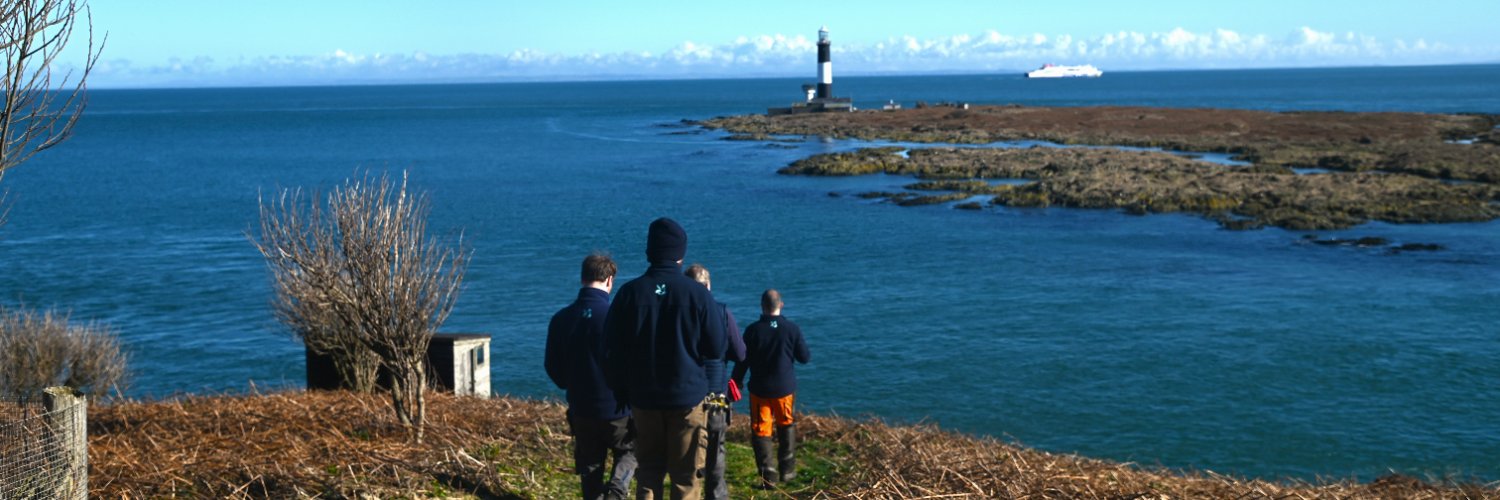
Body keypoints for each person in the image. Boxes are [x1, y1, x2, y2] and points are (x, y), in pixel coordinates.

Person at [605, 218, 726, 500]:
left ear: (649, 252)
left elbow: (610, 350)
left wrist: (621, 390)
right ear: (680, 253)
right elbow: (717, 348)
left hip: (644, 398)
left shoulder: (629, 293)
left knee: (648, 473)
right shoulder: (697, 294)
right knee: (685, 477)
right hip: (687, 397)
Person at [546, 252, 636, 500]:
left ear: (583, 278)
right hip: (617, 408)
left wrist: (569, 383)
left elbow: (552, 366)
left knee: (590, 468)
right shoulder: (618, 317)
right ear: (609, 280)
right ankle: (617, 491)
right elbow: (632, 363)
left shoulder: (561, 319)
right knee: (630, 451)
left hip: (581, 407)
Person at [731, 289, 811, 489]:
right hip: (785, 389)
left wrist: (736, 380)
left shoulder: (753, 330)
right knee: (786, 424)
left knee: (761, 430)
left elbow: (742, 361)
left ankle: (769, 477)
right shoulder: (792, 329)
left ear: (762, 306)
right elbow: (804, 357)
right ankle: (788, 471)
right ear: (781, 305)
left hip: (761, 390)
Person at [683, 264, 745, 500]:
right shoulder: (722, 312)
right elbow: (740, 353)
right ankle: (716, 495)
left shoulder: (677, 313)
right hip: (715, 392)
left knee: (688, 453)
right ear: (709, 285)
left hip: (686, 393)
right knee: (715, 450)